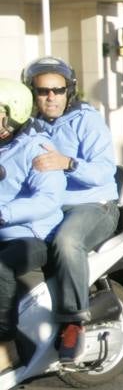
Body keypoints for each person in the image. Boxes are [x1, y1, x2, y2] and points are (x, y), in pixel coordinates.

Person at [22, 57, 120, 366]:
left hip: (93, 204)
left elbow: (104, 172)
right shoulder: (28, 125)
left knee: (66, 242)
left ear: (69, 91)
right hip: (46, 204)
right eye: (42, 91)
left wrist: (68, 162)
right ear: (32, 94)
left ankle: (72, 323)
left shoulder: (87, 121)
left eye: (57, 90)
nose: (50, 97)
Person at [0, 79, 64, 374]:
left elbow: (48, 199)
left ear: (12, 113)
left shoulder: (36, 149)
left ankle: (6, 345)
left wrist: (4, 213)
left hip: (32, 234)